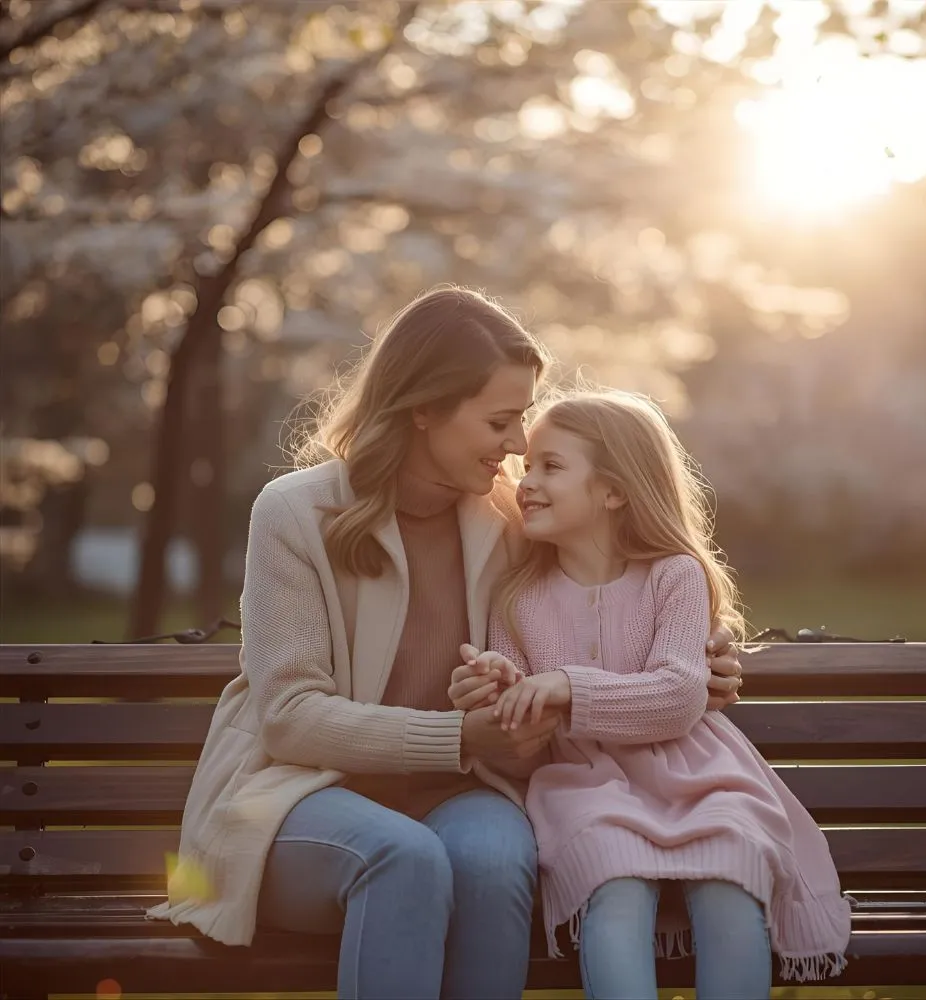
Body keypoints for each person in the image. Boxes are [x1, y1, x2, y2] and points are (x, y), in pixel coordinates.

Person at [147, 287, 744, 1000]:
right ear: (423, 409)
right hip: (294, 798)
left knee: (493, 859)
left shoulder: (509, 518)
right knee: (404, 858)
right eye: (500, 420)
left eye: (521, 418)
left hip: (461, 794)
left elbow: (619, 579)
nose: (521, 444)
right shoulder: (297, 513)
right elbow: (290, 716)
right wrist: (460, 736)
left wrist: (706, 646)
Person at [449, 389, 851, 1000]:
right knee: (614, 883)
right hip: (586, 783)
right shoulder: (518, 597)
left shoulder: (675, 575)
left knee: (729, 882)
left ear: (614, 490)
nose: (526, 481)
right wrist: (504, 691)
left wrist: (565, 685)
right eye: (528, 465)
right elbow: (520, 732)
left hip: (698, 776)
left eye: (551, 466)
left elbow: (679, 695)